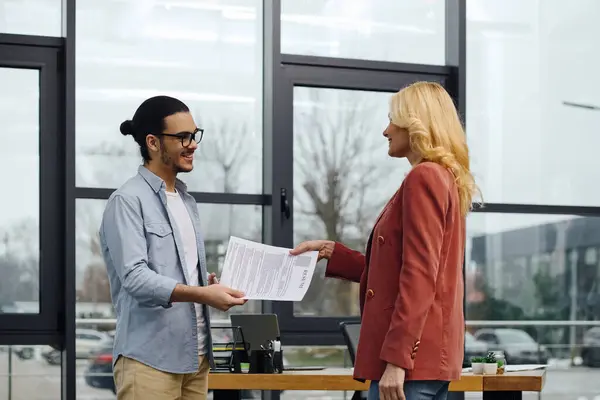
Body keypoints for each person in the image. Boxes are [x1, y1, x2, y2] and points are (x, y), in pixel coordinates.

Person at [290, 82, 480, 400]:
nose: (385, 130)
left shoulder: (424, 177)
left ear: (416, 123)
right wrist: (333, 252)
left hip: (410, 367)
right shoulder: (445, 178)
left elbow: (419, 276)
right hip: (427, 363)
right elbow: (401, 266)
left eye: (393, 119)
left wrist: (396, 360)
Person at [99, 95, 247, 400]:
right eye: (182, 137)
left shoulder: (186, 201)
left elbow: (176, 276)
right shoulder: (127, 201)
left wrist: (205, 286)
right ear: (153, 143)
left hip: (196, 359)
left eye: (194, 135)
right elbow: (135, 278)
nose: (193, 144)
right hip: (149, 362)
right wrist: (201, 294)